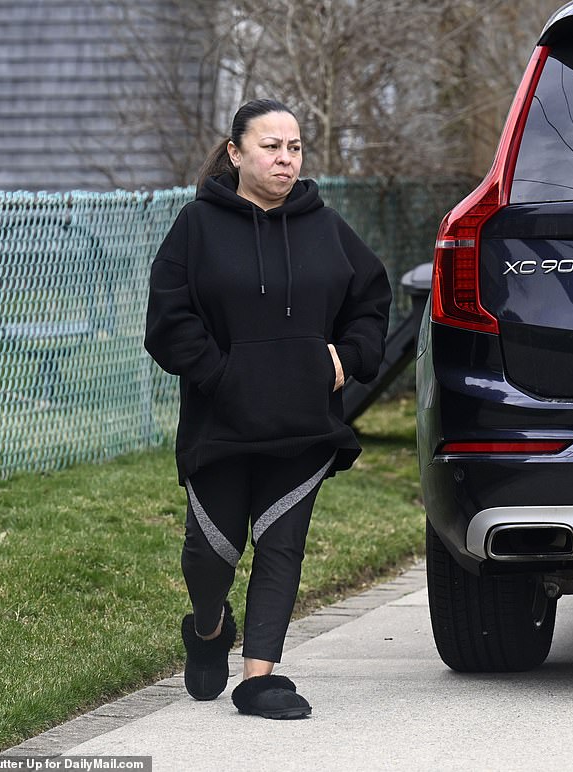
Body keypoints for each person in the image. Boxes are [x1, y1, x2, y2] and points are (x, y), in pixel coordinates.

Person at [144, 98, 391, 719]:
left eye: (295, 148)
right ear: (236, 153)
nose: (285, 160)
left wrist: (347, 358)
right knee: (210, 556)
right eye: (270, 147)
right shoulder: (197, 227)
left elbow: (372, 300)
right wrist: (221, 375)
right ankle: (207, 628)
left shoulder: (326, 226)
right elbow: (168, 323)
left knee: (281, 545)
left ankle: (261, 678)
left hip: (303, 422)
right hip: (221, 423)